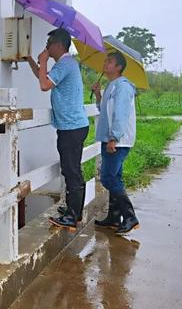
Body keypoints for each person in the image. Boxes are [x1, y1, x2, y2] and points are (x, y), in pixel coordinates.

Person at [25, 28, 89, 229]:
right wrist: (30, 59)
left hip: (71, 127)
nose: (46, 47)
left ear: (59, 45)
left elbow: (44, 85)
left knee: (72, 171)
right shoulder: (66, 65)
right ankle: (74, 212)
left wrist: (43, 60)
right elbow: (43, 77)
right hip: (72, 126)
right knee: (71, 170)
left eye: (49, 43)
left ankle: (73, 215)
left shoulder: (66, 64)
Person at [92, 52, 140, 235]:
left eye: (109, 61)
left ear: (119, 67)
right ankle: (114, 217)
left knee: (108, 178)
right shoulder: (111, 86)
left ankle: (130, 217)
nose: (105, 63)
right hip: (110, 139)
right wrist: (98, 94)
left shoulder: (123, 87)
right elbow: (104, 112)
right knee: (115, 177)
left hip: (117, 141)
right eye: (105, 60)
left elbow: (120, 114)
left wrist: (114, 138)